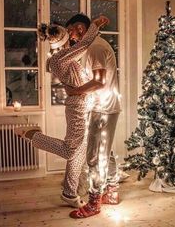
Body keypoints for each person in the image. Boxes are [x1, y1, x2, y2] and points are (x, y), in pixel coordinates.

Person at [15, 16, 108, 208]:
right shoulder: (58, 59)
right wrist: (95, 25)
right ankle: (33, 136)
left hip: (84, 103)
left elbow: (81, 51)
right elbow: (84, 45)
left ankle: (69, 193)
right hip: (77, 106)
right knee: (70, 151)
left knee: (79, 153)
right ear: (62, 39)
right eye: (69, 34)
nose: (73, 38)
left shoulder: (66, 56)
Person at [63, 14, 121, 218]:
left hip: (103, 108)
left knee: (95, 156)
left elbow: (98, 82)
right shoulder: (92, 46)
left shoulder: (95, 47)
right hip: (103, 106)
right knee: (106, 151)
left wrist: (75, 91)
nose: (69, 36)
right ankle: (112, 192)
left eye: (70, 31)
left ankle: (94, 202)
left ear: (80, 28)